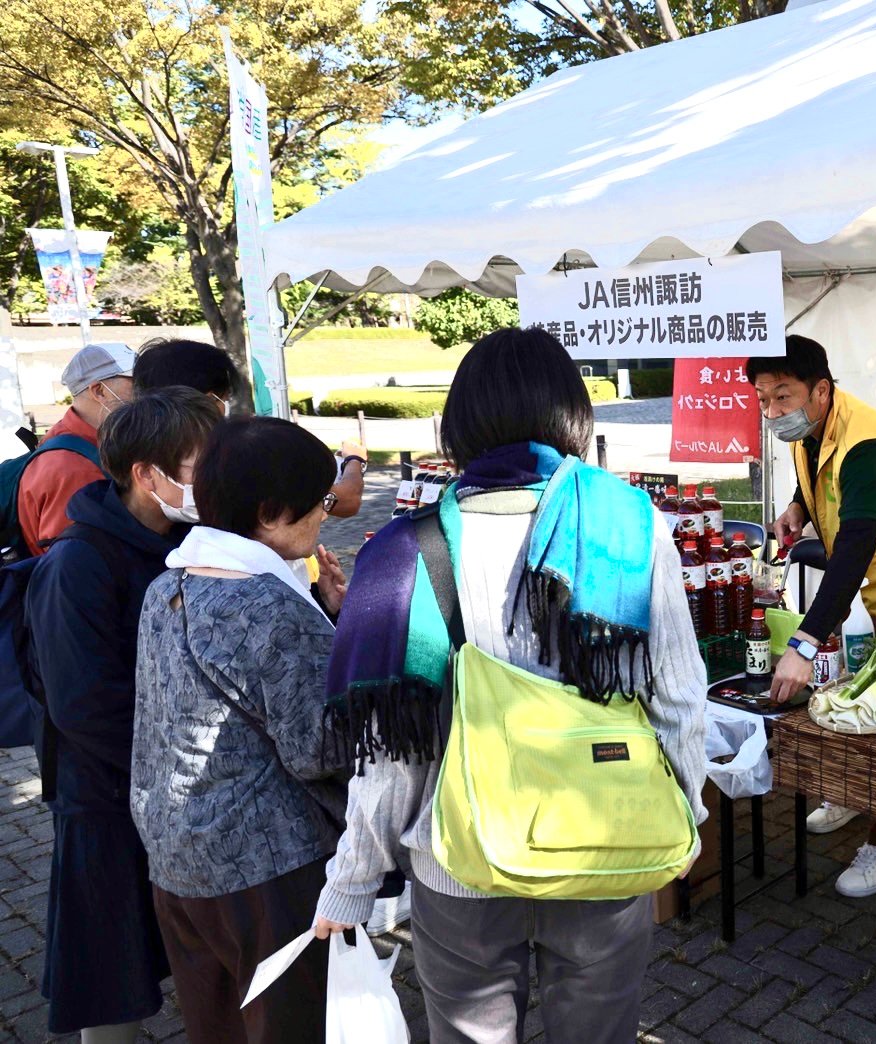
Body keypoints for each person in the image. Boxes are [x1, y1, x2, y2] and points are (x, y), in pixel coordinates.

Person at [310, 327, 708, 1043]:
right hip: (604, 848)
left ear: (459, 424)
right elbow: (678, 696)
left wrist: (352, 880)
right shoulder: (632, 530)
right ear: (573, 418)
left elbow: (395, 755)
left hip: (461, 868)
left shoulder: (409, 549)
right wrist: (682, 812)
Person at [130, 417, 350, 1044]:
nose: (325, 518)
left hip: (176, 860)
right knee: (293, 1026)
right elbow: (320, 748)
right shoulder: (271, 605)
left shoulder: (167, 584)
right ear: (271, 511)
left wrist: (325, 620)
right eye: (320, 503)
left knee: (217, 1026)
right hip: (267, 870)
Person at [24, 389, 221, 1044]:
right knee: (112, 976)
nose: (212, 479)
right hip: (106, 799)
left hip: (179, 793)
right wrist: (186, 759)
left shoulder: (192, 541)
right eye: (200, 465)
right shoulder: (76, 564)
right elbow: (82, 703)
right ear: (146, 474)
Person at [748, 334, 876, 898]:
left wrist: (805, 640)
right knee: (856, 693)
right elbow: (813, 477)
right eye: (763, 399)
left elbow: (858, 543)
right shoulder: (808, 428)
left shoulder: (869, 443)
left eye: (782, 397)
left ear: (821, 390)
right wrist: (796, 508)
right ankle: (855, 792)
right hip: (859, 579)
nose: (773, 412)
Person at [134, 337, 367, 519]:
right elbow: (344, 501)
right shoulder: (235, 453)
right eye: (222, 398)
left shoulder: (128, 445)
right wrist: (354, 460)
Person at [17, 341, 136, 555]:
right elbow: (71, 557)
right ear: (99, 391)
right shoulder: (72, 466)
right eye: (135, 384)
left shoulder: (80, 440)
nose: (144, 393)